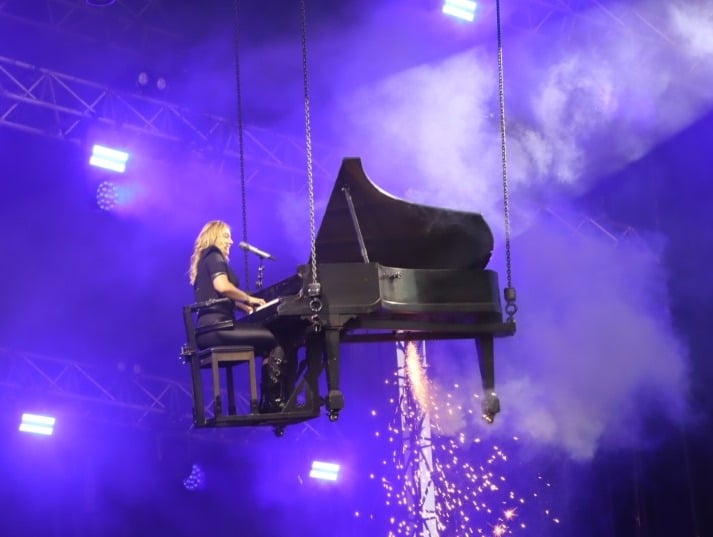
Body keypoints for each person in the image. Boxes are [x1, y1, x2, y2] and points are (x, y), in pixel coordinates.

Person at [188, 220, 285, 412]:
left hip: (207, 329)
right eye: (226, 236)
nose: (231, 241)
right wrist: (249, 298)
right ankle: (272, 400)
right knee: (275, 339)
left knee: (264, 341)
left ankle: (268, 399)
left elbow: (220, 297)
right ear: (214, 236)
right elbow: (222, 286)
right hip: (218, 328)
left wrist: (244, 307)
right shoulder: (214, 254)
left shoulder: (205, 260)